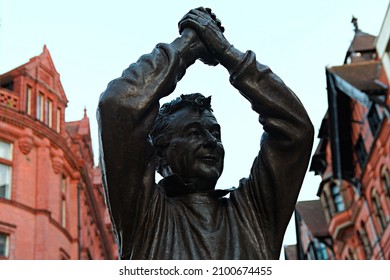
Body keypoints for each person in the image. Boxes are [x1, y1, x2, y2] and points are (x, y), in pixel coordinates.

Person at [97, 7, 314, 259]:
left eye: (215, 133)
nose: (211, 142)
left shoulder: (253, 211)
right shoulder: (143, 216)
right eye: (193, 132)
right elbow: (118, 106)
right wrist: (187, 46)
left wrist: (226, 52)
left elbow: (295, 131)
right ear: (159, 155)